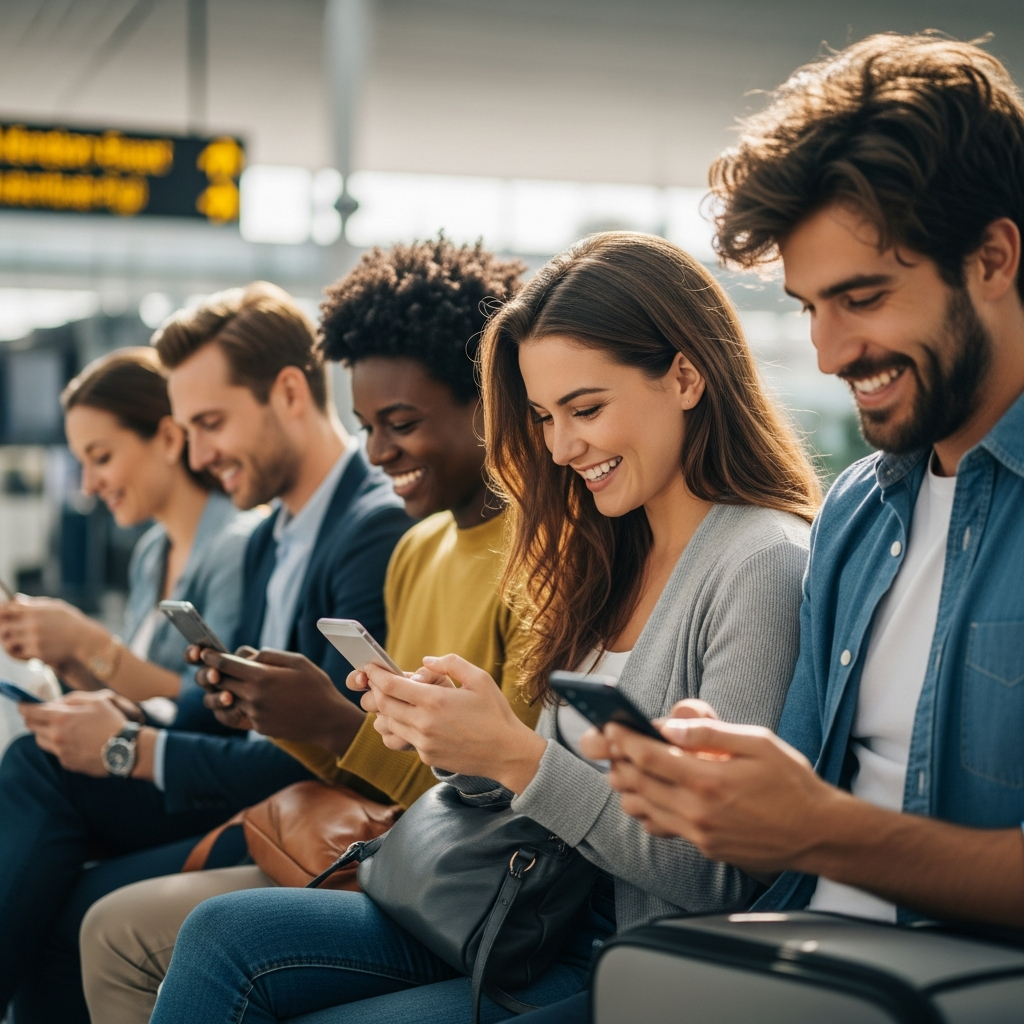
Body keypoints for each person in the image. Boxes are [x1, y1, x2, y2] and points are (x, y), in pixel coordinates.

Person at [148, 231, 821, 1024]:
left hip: (628, 959)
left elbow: (716, 877)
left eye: (587, 408)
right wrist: (463, 743)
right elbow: (544, 795)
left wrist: (518, 755)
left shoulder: (760, 562)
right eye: (543, 416)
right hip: (528, 913)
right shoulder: (605, 548)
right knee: (222, 933)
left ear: (685, 375)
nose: (564, 446)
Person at [595, 33, 1024, 942]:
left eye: (862, 299)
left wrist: (823, 831)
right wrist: (718, 785)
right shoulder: (858, 513)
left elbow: (818, 827)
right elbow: (781, 831)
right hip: (790, 953)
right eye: (809, 307)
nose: (828, 354)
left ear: (993, 259)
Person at [80, 237, 540, 1024]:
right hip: (401, 850)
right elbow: (393, 768)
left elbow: (497, 790)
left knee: (161, 926)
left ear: (488, 400)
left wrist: (331, 722)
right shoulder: (418, 545)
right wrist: (290, 718)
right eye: (367, 424)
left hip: (464, 878)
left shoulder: (532, 561)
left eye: (399, 423)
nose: (378, 452)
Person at [0, 284, 411, 1024]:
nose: (195, 454)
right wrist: (132, 713)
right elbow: (224, 712)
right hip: (246, 786)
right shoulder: (262, 538)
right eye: (187, 429)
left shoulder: (372, 529)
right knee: (40, 762)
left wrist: (134, 748)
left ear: (289, 392)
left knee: (67, 900)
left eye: (211, 423)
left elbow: (332, 750)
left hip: (303, 807)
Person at [0, 348, 257, 707]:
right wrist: (65, 657)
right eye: (82, 464)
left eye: (101, 458)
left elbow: (216, 704)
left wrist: (87, 641)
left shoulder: (239, 547)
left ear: (168, 439)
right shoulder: (152, 553)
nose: (88, 486)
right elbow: (133, 707)